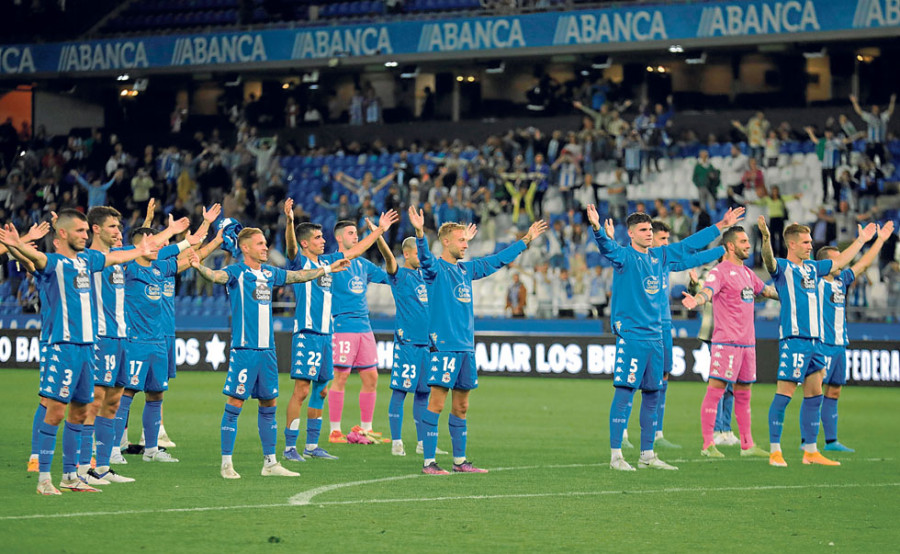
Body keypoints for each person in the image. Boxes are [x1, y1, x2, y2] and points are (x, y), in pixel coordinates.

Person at [0, 210, 156, 495]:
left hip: (89, 348)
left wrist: (140, 249)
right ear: (62, 234)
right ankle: (44, 476)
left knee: (80, 411)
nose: (86, 236)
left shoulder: (88, 260)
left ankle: (71, 475)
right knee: (55, 409)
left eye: (87, 231)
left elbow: (114, 257)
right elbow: (35, 259)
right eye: (80, 231)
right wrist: (16, 244)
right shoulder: (54, 263)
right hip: (64, 346)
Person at [587, 204, 745, 471]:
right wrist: (597, 229)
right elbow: (606, 248)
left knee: (652, 394)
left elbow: (688, 246)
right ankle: (616, 456)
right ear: (631, 234)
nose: (649, 233)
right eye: (643, 230)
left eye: (650, 229)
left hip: (656, 337)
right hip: (632, 337)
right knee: (625, 393)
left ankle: (647, 454)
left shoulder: (659, 256)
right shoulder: (624, 256)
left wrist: (721, 226)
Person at [190, 227, 349, 479]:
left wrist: (327, 269)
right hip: (245, 350)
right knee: (235, 404)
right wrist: (199, 267)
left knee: (269, 404)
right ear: (245, 248)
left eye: (265, 243)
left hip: (268, 352)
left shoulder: (270, 273)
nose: (266, 247)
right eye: (260, 244)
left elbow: (298, 277)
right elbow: (216, 276)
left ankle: (270, 463)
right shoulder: (237, 272)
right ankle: (226, 463)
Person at [409, 205, 548, 474]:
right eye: (461, 241)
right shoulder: (435, 269)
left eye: (466, 240)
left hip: (465, 348)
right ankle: (429, 463)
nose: (466, 245)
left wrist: (526, 240)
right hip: (444, 347)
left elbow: (497, 260)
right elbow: (424, 257)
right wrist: (419, 233)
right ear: (446, 242)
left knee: (461, 406)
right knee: (436, 403)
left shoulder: (466, 270)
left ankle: (460, 462)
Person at [81, 207, 190, 484]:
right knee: (94, 402)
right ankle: (80, 469)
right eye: (113, 227)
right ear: (96, 229)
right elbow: (146, 248)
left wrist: (182, 237)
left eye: (119, 227)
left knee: (113, 401)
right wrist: (172, 233)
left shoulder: (119, 260)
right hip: (101, 339)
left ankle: (102, 467)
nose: (118, 232)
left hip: (121, 340)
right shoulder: (93, 258)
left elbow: (150, 249)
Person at [282, 199, 397, 461]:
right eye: (318, 237)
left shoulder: (329, 263)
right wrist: (289, 221)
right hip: (307, 333)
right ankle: (290, 448)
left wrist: (378, 231)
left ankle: (312, 446)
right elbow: (289, 246)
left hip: (326, 334)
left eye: (323, 236)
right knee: (300, 391)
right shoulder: (299, 263)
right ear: (305, 243)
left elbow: (355, 251)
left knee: (322, 389)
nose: (323, 241)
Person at [757, 216, 877, 467]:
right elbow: (768, 261)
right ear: (791, 244)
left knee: (815, 395)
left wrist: (862, 240)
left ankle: (810, 451)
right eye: (805, 242)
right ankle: (775, 451)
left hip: (816, 341)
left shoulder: (812, 268)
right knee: (785, 394)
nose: (810, 246)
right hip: (794, 340)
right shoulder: (783, 268)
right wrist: (766, 238)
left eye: (810, 241)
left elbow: (841, 261)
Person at [113, 224, 207, 465]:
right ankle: (113, 449)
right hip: (135, 342)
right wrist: (180, 239)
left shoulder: (158, 269)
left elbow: (183, 262)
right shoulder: (128, 267)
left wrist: (202, 241)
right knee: (127, 394)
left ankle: (152, 450)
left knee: (156, 395)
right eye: (152, 244)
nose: (158, 248)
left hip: (157, 341)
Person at [681, 225, 778, 458]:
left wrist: (792, 294)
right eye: (744, 241)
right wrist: (697, 300)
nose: (748, 245)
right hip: (726, 342)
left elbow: (766, 291)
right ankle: (708, 445)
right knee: (716, 390)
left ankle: (747, 445)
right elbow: (708, 291)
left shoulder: (747, 273)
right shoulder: (719, 272)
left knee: (744, 393)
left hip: (748, 344)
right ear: (731, 246)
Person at [813, 221, 893, 452]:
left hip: (839, 345)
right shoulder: (815, 283)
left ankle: (831, 441)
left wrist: (880, 240)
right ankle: (807, 442)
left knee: (834, 391)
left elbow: (864, 263)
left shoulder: (841, 281)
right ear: (826, 263)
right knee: (814, 393)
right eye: (838, 258)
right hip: (822, 345)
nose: (844, 261)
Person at [320, 218, 396, 444]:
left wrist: (382, 239)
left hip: (365, 326)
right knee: (340, 376)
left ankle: (365, 429)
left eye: (356, 233)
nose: (355, 236)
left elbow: (392, 275)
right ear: (339, 237)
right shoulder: (332, 261)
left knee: (371, 377)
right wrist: (379, 230)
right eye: (351, 233)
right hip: (343, 326)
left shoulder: (363, 265)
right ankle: (335, 431)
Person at [650, 220, 725, 450]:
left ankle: (657, 433)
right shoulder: (641, 260)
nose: (666, 243)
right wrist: (721, 230)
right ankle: (622, 433)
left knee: (663, 378)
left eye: (666, 239)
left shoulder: (665, 261)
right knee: (635, 381)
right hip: (643, 326)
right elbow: (687, 246)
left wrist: (724, 249)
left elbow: (693, 258)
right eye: (662, 239)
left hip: (664, 324)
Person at [850, 93, 895, 166]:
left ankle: (881, 175)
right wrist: (854, 102)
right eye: (873, 108)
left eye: (876, 108)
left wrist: (892, 102)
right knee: (869, 162)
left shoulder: (882, 117)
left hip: (880, 144)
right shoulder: (870, 117)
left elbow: (890, 112)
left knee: (882, 163)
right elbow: (860, 112)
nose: (875, 110)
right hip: (871, 144)